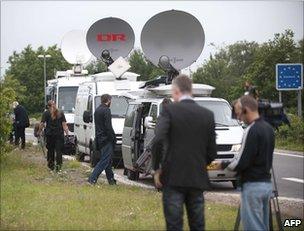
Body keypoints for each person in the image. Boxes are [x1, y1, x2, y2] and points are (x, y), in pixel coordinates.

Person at [152, 75, 217, 230]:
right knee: (198, 224)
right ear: (191, 90)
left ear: (175, 91)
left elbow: (158, 140)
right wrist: (200, 165)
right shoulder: (207, 115)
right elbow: (212, 152)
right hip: (197, 177)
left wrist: (157, 169)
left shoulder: (169, 111)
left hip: (173, 178)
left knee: (174, 225)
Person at [221, 95, 275, 230]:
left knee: (253, 227)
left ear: (246, 110)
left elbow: (242, 161)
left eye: (239, 114)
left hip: (252, 186)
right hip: (266, 184)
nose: (239, 118)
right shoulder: (269, 129)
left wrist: (225, 165)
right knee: (263, 225)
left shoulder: (251, 130)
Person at [88, 94, 117, 185]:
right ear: (108, 100)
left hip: (99, 139)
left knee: (107, 161)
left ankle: (111, 180)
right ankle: (92, 178)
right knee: (104, 160)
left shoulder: (97, 110)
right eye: (110, 100)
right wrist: (113, 138)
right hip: (106, 139)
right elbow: (108, 126)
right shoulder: (106, 110)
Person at [39, 100, 69, 172]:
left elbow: (42, 123)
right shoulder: (61, 113)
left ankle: (51, 165)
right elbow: (64, 124)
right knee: (59, 151)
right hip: (59, 134)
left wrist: (39, 131)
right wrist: (67, 133)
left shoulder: (46, 113)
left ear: (48, 106)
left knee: (50, 150)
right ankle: (59, 167)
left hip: (50, 135)